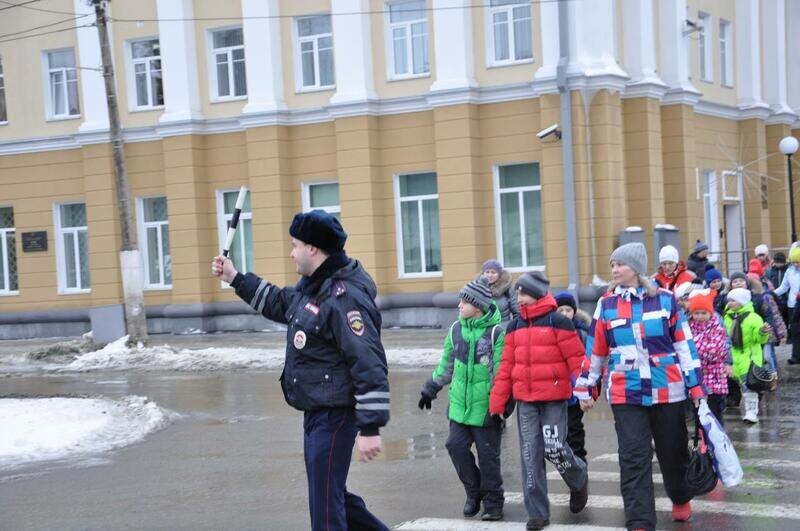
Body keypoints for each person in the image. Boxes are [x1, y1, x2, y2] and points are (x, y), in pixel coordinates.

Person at [211, 210, 390, 531]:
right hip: (318, 411)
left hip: (336, 414)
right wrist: (235, 278)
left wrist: (370, 428)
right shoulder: (315, 286)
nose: (291, 252)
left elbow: (368, 361)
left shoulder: (344, 297)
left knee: (324, 508)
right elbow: (281, 302)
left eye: (295, 245)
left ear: (313, 249)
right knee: (330, 496)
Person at [574, 242, 705, 530]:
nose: (614, 270)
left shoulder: (666, 300)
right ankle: (640, 521)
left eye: (619, 264)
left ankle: (680, 496)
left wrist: (696, 389)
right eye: (612, 265)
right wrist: (587, 386)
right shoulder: (606, 304)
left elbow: (685, 347)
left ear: (635, 267)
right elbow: (596, 350)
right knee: (633, 458)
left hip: (667, 390)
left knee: (673, 453)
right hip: (626, 392)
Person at [489, 272, 588, 531]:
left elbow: (577, 360)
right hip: (526, 402)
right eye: (518, 293)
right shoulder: (514, 326)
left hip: (554, 399)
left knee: (554, 447)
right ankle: (537, 513)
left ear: (536, 294)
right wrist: (499, 401)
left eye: (522, 293)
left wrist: (587, 391)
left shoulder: (559, 322)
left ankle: (578, 478)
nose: (518, 297)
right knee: (530, 456)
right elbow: (506, 367)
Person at [419, 279, 506, 521]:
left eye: (464, 301)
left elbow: (501, 373)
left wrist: (501, 404)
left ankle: (493, 503)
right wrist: (431, 388)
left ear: (477, 306)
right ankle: (473, 492)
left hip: (486, 409)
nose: (459, 305)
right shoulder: (455, 329)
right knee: (455, 446)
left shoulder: (496, 333)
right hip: (459, 406)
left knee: (488, 458)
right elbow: (446, 365)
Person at [554, 291, 593, 465]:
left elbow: (588, 361)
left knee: (574, 428)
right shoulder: (550, 331)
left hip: (576, 391)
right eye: (560, 310)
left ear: (574, 311)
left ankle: (579, 460)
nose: (564, 314)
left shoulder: (581, 332)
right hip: (557, 390)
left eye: (568, 310)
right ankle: (567, 461)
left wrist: (588, 389)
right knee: (559, 430)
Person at [723, 288, 770, 424]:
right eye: (729, 300)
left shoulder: (754, 318)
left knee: (749, 387)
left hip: (748, 357)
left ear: (742, 301)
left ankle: (751, 412)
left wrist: (762, 332)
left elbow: (760, 340)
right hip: (731, 356)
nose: (730, 303)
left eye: (733, 300)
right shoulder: (727, 316)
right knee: (735, 385)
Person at [687, 290, 731, 426]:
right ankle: (703, 441)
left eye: (703, 313)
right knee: (698, 410)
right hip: (697, 377)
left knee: (714, 411)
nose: (700, 317)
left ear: (710, 313)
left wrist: (695, 352)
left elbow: (717, 350)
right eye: (696, 313)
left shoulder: (716, 328)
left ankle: (717, 442)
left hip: (714, 376)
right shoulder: (689, 328)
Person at [773, 246, 800, 365]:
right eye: (793, 262)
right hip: (793, 305)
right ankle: (796, 356)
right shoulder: (790, 271)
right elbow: (784, 287)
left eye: (797, 262)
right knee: (794, 331)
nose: (795, 264)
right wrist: (772, 294)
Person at [479, 259, 520, 326]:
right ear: (483, 274)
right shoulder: (477, 288)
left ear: (499, 274)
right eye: (487, 272)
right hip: (482, 329)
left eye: (493, 272)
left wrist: (513, 328)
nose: (490, 275)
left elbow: (517, 312)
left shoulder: (508, 289)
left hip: (503, 328)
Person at [766, 252, 790, 324]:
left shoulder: (788, 270)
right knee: (779, 318)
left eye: (781, 262)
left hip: (787, 298)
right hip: (776, 298)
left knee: (788, 318)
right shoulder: (770, 271)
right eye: (777, 262)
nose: (779, 264)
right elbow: (768, 282)